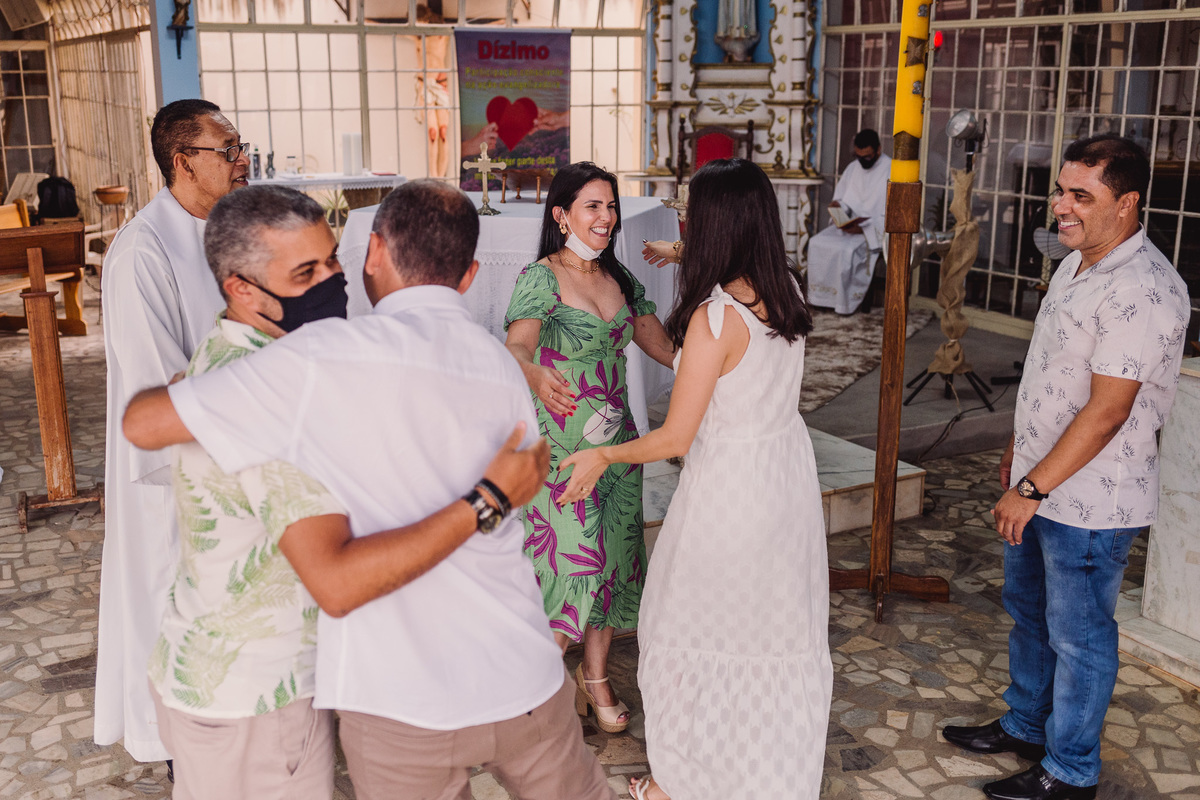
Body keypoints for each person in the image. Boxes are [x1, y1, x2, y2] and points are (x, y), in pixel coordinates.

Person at [117, 180, 616, 800]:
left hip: (392, 694)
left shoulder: (324, 358)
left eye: (334, 260)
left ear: (371, 251)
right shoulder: (493, 360)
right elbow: (339, 577)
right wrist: (486, 500)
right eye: (310, 270)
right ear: (471, 276)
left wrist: (197, 392)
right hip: (491, 672)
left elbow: (143, 419)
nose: (333, 280)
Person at [560, 158, 833, 800]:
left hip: (731, 489)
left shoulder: (714, 321)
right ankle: (764, 775)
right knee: (769, 631)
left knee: (687, 626)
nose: (683, 219)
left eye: (692, 212)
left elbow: (675, 438)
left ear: (714, 227)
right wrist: (678, 248)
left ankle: (683, 783)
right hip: (784, 480)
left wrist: (604, 456)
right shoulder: (783, 288)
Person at [942, 134, 1189, 800]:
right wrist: (1019, 455)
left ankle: (1071, 770)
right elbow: (1057, 379)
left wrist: (1032, 485)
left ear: (1128, 203)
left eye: (1083, 195)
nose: (1062, 207)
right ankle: (1026, 725)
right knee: (1029, 612)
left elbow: (1108, 411)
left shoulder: (1143, 290)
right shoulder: (1078, 262)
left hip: (1091, 501)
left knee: (1079, 637)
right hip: (1041, 480)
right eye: (1062, 191)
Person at [97, 98, 249, 762]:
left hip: (235, 455)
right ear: (183, 160)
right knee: (170, 598)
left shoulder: (226, 233)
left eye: (242, 147)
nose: (242, 160)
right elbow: (159, 382)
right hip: (174, 468)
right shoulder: (141, 252)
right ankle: (175, 745)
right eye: (228, 149)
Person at [503, 162, 676, 734]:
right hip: (561, 445)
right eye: (593, 207)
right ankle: (530, 687)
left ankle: (595, 676)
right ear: (562, 215)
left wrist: (718, 371)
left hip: (618, 442)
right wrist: (529, 373)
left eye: (610, 207)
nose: (606, 218)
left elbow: (660, 345)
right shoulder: (541, 277)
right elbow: (518, 346)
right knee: (576, 561)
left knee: (617, 561)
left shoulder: (620, 277)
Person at [805, 128, 892, 314]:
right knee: (816, 242)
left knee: (845, 251)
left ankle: (841, 303)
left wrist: (863, 229)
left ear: (878, 149)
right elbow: (843, 200)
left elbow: (892, 214)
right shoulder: (854, 167)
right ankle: (820, 298)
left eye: (867, 157)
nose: (862, 161)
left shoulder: (891, 169)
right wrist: (838, 210)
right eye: (858, 156)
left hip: (870, 232)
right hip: (848, 227)